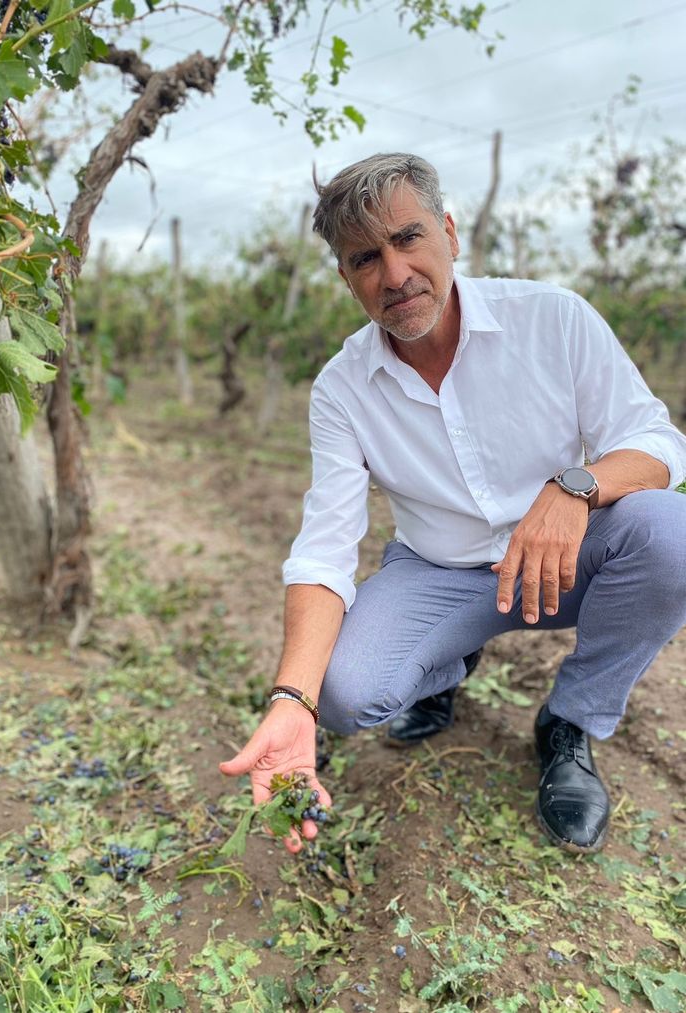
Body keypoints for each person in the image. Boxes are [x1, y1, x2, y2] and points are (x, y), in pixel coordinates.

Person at [220, 152, 686, 856]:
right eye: (365, 257)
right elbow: (325, 547)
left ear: (449, 232)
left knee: (670, 532)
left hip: (565, 557)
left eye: (408, 238)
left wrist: (575, 485)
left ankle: (570, 721)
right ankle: (446, 666)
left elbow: (656, 440)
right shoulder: (342, 390)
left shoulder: (553, 319)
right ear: (345, 277)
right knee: (345, 693)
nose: (395, 274)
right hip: (440, 570)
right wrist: (294, 699)